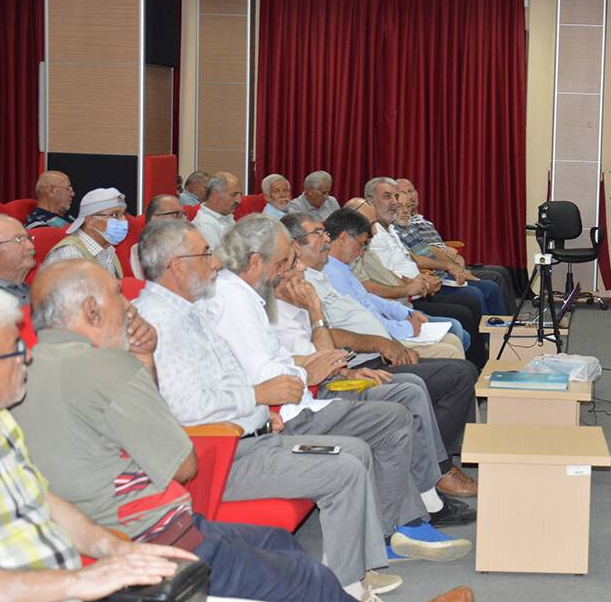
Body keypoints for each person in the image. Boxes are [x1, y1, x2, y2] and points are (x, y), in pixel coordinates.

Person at [132, 220, 461, 596]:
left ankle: (353, 573)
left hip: (253, 432)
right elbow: (188, 406)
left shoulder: (189, 310)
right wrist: (257, 399)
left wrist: (261, 407)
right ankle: (349, 586)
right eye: (205, 254)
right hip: (221, 454)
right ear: (177, 266)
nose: (216, 262)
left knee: (356, 452)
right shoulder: (161, 321)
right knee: (347, 465)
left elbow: (235, 380)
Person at [13, 260, 357, 601]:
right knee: (310, 577)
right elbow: (183, 466)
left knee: (278, 542)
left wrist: (144, 359)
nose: (129, 305)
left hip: (94, 537)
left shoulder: (20, 372)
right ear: (92, 311)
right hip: (154, 538)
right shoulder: (108, 365)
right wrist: (135, 365)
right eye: (118, 294)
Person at [205, 214, 474, 552]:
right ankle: (406, 521)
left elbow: (305, 358)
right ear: (258, 261)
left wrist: (332, 361)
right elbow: (277, 372)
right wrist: (316, 340)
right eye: (286, 263)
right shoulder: (243, 300)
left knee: (404, 399)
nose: (293, 270)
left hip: (312, 390)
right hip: (289, 409)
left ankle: (409, 518)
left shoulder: (266, 293)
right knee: (397, 410)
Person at [0, 277, 195, 601]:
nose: (26, 358)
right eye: (14, 351)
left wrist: (112, 547)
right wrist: (77, 581)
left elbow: (44, 500)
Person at [318, 209, 465, 360]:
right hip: (375, 344)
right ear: (343, 239)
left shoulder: (341, 267)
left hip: (386, 328)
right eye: (361, 244)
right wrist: (407, 327)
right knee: (451, 350)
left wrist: (406, 313)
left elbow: (367, 298)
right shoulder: (331, 274)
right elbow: (364, 322)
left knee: (452, 340)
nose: (362, 251)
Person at [394, 178, 517, 313]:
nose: (405, 211)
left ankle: (506, 323)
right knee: (481, 290)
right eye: (400, 207)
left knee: (493, 284)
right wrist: (449, 266)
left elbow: (432, 249)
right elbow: (414, 259)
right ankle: (492, 326)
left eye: (408, 206)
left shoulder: (410, 227)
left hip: (444, 270)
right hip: (429, 277)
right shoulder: (395, 231)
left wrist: (456, 265)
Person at [43, 188, 128, 278]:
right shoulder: (70, 255)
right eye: (114, 214)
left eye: (123, 214)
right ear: (90, 221)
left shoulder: (108, 250)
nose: (123, 220)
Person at [131, 194, 188, 279]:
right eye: (176, 215)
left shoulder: (189, 247)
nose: (184, 220)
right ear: (155, 219)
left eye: (184, 215)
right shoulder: (139, 251)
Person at [191, 172, 240, 250]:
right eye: (233, 195)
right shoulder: (204, 226)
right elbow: (217, 258)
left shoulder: (226, 216)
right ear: (215, 195)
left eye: (240, 195)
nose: (239, 200)